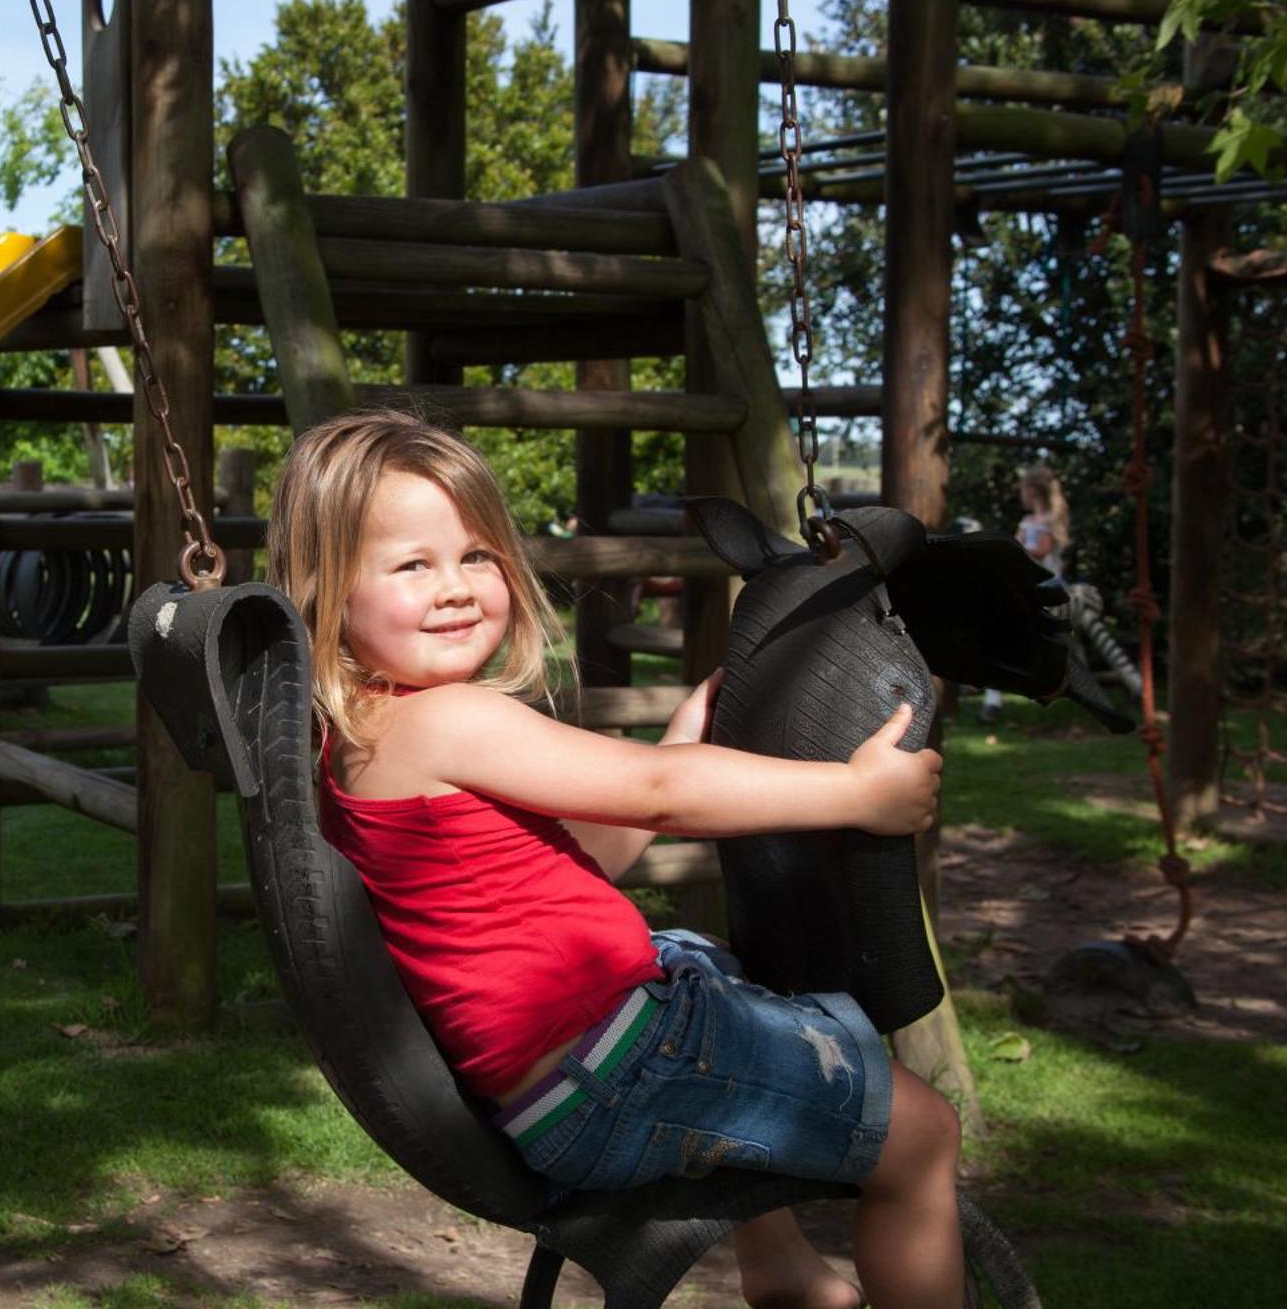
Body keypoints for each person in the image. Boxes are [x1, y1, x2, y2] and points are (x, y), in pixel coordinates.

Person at [269, 413, 963, 1309]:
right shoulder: (447, 718)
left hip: (561, 1085)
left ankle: (784, 1268)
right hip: (620, 1072)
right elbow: (660, 793)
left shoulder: (364, 732)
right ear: (330, 591)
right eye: (412, 565)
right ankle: (801, 1267)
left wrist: (680, 734)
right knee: (923, 1136)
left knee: (697, 955)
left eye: (477, 555)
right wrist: (859, 793)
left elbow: (586, 856)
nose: (456, 588)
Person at [980, 464, 1069, 723]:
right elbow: (1017, 544)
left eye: (1023, 489)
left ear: (1032, 490)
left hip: (1047, 586)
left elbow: (1040, 550)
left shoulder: (1048, 522)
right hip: (1030, 584)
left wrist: (1018, 551)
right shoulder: (1027, 522)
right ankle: (993, 698)